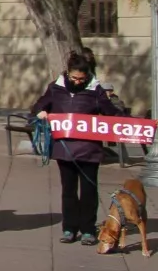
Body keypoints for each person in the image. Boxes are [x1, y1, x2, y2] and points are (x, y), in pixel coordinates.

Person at [32, 50, 125, 245]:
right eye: (74, 78)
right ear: (68, 73)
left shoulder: (96, 89)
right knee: (68, 190)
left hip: (89, 149)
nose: (77, 82)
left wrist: (132, 122)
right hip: (64, 148)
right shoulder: (55, 87)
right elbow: (40, 104)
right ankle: (69, 228)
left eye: (81, 79)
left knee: (89, 190)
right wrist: (40, 111)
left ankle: (88, 230)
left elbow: (110, 112)